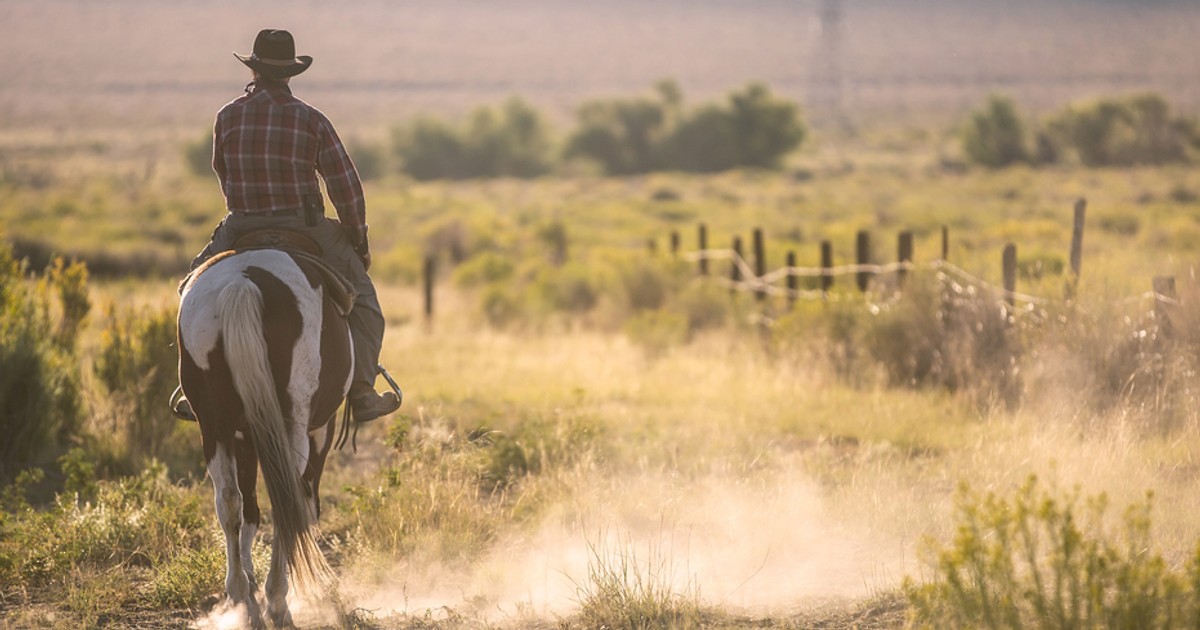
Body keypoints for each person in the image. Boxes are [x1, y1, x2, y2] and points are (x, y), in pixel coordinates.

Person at [172, 28, 399, 424]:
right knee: (365, 303)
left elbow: (222, 174)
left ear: (254, 69)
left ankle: (198, 386)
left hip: (241, 225)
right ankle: (362, 390)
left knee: (190, 290)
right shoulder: (311, 120)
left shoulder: (227, 117)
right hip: (304, 226)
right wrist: (357, 239)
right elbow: (346, 187)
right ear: (290, 73)